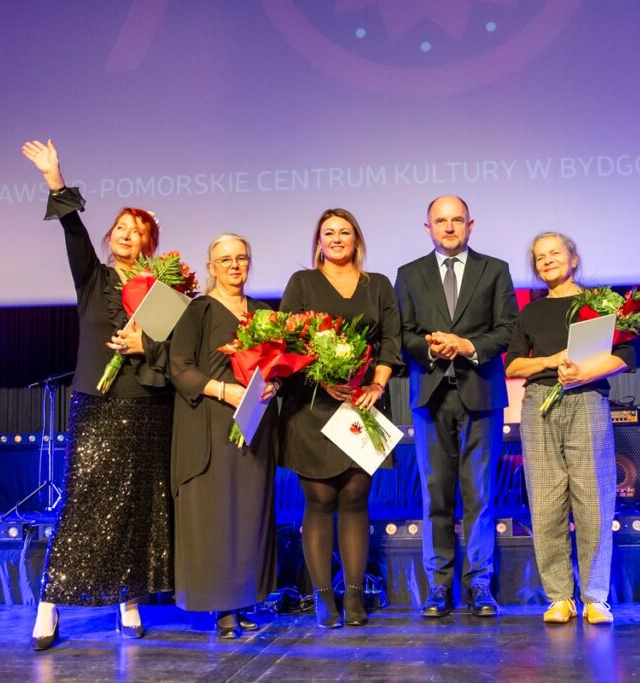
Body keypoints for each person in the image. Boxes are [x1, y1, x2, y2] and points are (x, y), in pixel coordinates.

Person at [21, 139, 173, 650]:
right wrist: (54, 180)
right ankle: (49, 604)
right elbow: (71, 229)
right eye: (122, 229)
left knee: (134, 505)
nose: (129, 235)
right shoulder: (94, 278)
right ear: (112, 236)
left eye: (140, 230)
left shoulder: (162, 290)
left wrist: (145, 340)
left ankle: (127, 601)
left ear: (150, 241)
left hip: (148, 404)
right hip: (97, 400)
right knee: (83, 503)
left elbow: (169, 348)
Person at [395, 195, 518, 618]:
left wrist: (466, 345)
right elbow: (403, 334)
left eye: (457, 220)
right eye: (440, 221)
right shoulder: (409, 274)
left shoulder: (495, 270)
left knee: (480, 495)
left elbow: (507, 330)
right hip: (430, 396)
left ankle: (480, 585)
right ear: (427, 227)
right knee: (436, 495)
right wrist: (432, 348)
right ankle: (439, 587)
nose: (449, 227)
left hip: (480, 393)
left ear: (470, 224)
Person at [278, 208, 402, 628]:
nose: (336, 238)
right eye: (328, 232)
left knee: (354, 499)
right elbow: (289, 340)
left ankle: (353, 598)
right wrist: (323, 377)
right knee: (320, 501)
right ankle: (323, 599)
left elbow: (391, 342)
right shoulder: (302, 283)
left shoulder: (378, 285)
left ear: (356, 239)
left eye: (344, 232)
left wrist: (376, 385)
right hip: (313, 405)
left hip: (363, 403)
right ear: (318, 240)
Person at [505, 232, 634, 625]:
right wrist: (553, 359)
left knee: (593, 499)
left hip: (587, 400)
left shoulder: (599, 305)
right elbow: (512, 366)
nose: (547, 261)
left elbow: (623, 356)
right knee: (545, 504)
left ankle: (595, 597)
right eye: (540, 257)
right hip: (539, 405)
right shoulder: (530, 312)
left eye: (554, 254)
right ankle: (559, 597)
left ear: (573, 259)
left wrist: (582, 372)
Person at [170, 233, 279, 639]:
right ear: (211, 266)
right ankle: (221, 607)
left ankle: (245, 598)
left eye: (242, 258)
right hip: (209, 425)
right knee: (217, 517)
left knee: (249, 514)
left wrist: (273, 386)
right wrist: (225, 390)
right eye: (225, 259)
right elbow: (179, 368)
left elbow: (275, 366)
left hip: (252, 426)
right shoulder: (197, 311)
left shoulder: (264, 313)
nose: (234, 265)